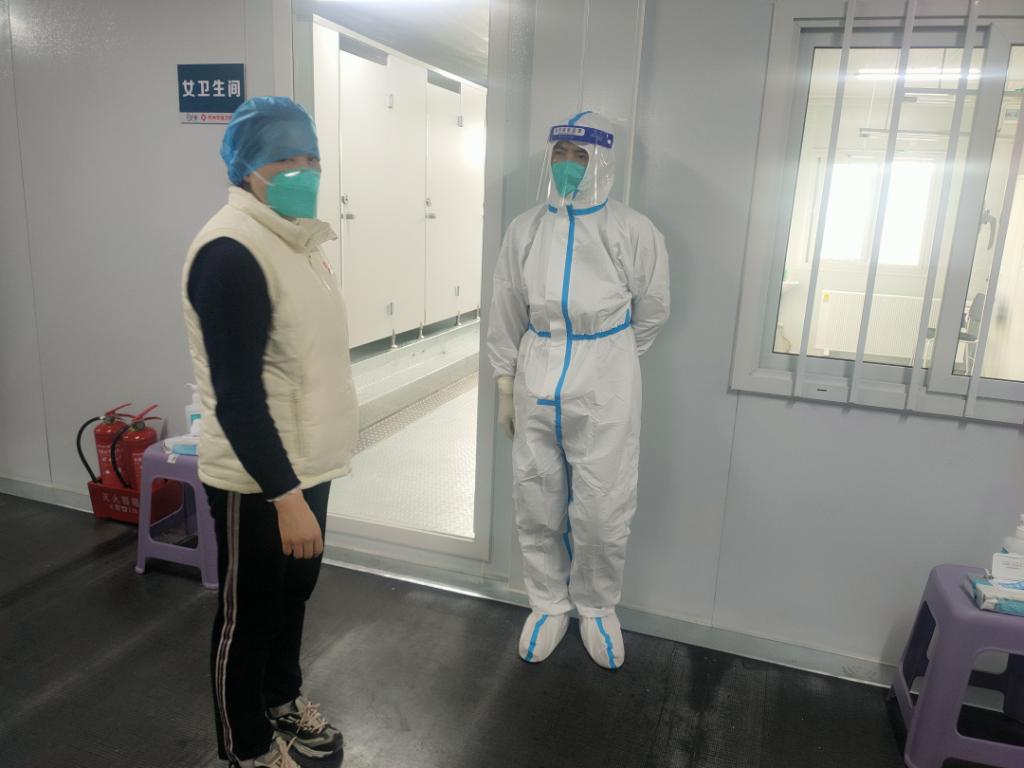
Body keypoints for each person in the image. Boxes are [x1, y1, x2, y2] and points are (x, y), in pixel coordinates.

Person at [182, 96, 358, 768]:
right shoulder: (231, 252)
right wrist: (284, 495)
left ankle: (281, 701)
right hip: (257, 478)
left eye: (311, 157)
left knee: (291, 599)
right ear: (247, 167)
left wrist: (305, 483)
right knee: (248, 615)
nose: (303, 171)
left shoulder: (296, 241)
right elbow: (238, 396)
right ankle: (247, 749)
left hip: (307, 465)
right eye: (286, 159)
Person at [487, 111, 670, 670]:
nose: (568, 164)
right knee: (535, 497)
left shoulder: (633, 230)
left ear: (602, 161)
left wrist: (608, 359)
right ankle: (547, 603)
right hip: (536, 371)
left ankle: (596, 607)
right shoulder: (526, 229)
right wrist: (505, 382)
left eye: (581, 155)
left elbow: (653, 309)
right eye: (560, 153)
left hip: (604, 382)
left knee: (602, 507)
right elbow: (506, 306)